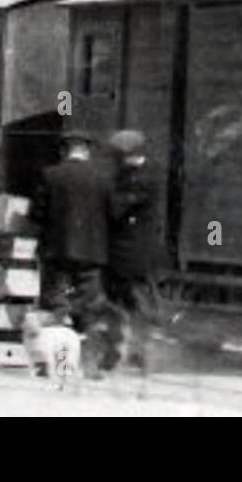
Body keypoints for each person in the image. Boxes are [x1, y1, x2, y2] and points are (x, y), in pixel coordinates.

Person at [32, 131, 118, 375]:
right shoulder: (104, 178)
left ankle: (55, 366)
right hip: (92, 255)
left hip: (56, 253)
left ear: (64, 150)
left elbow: (37, 214)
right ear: (87, 150)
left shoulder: (50, 175)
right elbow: (113, 215)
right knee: (91, 311)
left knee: (54, 308)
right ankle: (90, 367)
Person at [105, 129, 157, 313]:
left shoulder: (139, 178)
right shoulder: (132, 174)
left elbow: (119, 206)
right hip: (127, 241)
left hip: (131, 243)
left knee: (132, 288)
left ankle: (143, 317)